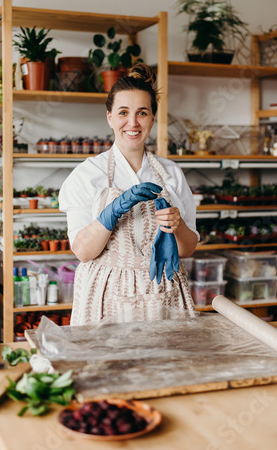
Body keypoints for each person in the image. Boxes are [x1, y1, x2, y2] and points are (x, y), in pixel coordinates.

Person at [59, 63, 199, 325]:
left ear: (152, 119)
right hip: (106, 296)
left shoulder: (171, 173)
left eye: (142, 113)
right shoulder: (88, 174)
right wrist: (111, 213)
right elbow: (83, 252)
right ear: (110, 117)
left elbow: (188, 249)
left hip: (163, 294)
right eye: (123, 112)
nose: (133, 123)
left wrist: (177, 226)